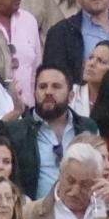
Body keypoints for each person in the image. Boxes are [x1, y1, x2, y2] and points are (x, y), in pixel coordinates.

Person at [10, 66, 99, 199]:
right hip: (33, 213)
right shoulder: (16, 131)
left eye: (56, 86)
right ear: (34, 93)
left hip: (80, 209)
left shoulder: (87, 127)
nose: (48, 92)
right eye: (42, 87)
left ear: (71, 96)